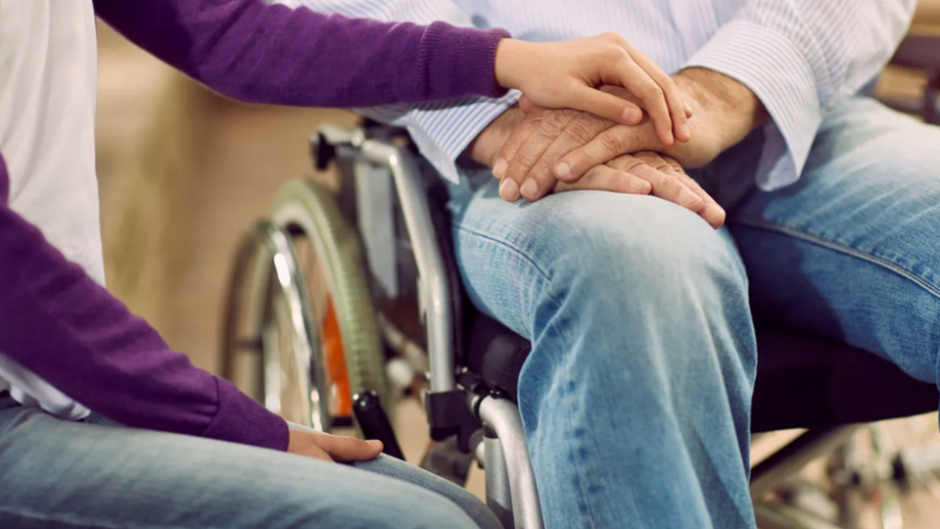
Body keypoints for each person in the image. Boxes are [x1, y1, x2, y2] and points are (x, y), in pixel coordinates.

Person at [0, 1, 698, 528]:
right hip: (21, 410)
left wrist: (503, 62)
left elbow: (223, 30)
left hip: (49, 386)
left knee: (463, 511)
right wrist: (233, 423)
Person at [286, 0, 930, 527]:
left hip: (780, 111)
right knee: (632, 274)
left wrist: (723, 88)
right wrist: (510, 120)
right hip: (509, 129)